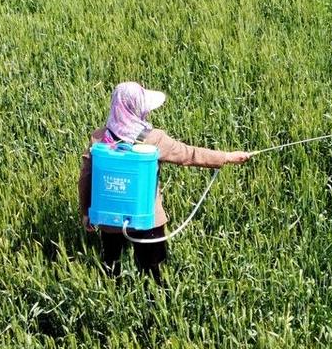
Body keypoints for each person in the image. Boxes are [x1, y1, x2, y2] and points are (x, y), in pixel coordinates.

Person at [78, 81, 250, 285]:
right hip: (147, 219)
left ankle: (114, 299)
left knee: (110, 266)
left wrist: (86, 212)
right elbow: (189, 154)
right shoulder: (153, 139)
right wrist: (227, 157)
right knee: (154, 272)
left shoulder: (99, 139)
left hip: (109, 220)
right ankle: (156, 307)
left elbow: (85, 179)